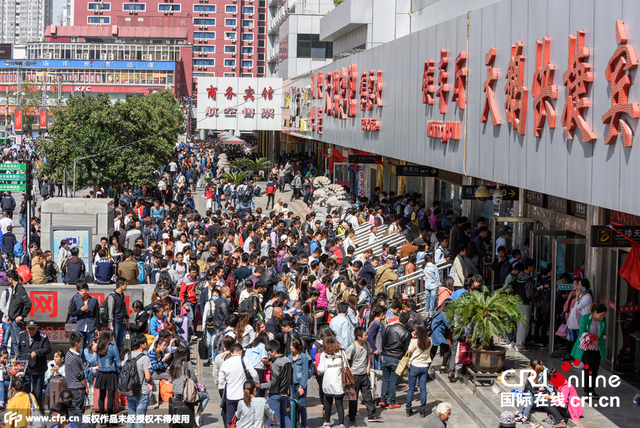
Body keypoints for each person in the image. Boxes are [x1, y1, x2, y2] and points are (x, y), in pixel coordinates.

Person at [346, 327, 382, 423]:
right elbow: (347, 360)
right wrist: (350, 372)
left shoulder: (366, 344)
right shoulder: (352, 347)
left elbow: (369, 354)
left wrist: (368, 366)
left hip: (364, 374)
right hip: (355, 376)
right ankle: (352, 416)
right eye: (365, 335)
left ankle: (372, 415)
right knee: (353, 397)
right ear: (359, 337)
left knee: (368, 396)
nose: (367, 336)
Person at [571, 303, 607, 398]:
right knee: (588, 368)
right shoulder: (585, 318)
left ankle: (592, 389)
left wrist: (603, 339)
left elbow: (604, 332)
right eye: (601, 315)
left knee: (595, 369)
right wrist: (591, 339)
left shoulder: (603, 320)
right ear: (595, 312)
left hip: (597, 347)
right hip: (586, 348)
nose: (602, 317)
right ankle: (586, 390)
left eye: (603, 315)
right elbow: (582, 333)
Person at [169, 345, 210, 428]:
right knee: (206, 397)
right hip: (186, 393)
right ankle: (197, 415)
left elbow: (171, 379)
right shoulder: (187, 364)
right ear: (185, 355)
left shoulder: (173, 365)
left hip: (176, 394)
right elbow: (194, 379)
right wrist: (198, 387)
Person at [17, 319, 52, 410]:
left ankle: (38, 410)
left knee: (37, 390)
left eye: (33, 329)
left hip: (38, 367)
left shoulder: (42, 337)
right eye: (30, 329)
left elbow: (48, 349)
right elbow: (20, 350)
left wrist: (37, 352)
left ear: (36, 328)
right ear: (26, 328)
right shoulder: (22, 335)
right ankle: (27, 409)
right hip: (26, 368)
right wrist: (20, 362)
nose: (31, 331)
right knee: (25, 389)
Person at [380, 311, 411, 409]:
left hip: (386, 356)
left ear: (398, 318)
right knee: (393, 382)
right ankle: (392, 402)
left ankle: (383, 400)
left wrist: (384, 353)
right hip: (397, 358)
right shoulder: (406, 333)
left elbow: (383, 342)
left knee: (385, 380)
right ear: (406, 322)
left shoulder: (389, 328)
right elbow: (406, 350)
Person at [259, 340, 292, 428]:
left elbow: (273, 382)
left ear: (274, 351)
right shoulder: (287, 360)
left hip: (275, 394)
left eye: (268, 352)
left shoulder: (276, 363)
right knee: (285, 416)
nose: (268, 354)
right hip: (284, 393)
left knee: (275, 418)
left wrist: (260, 385)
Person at [317, 335, 347, 428]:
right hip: (339, 383)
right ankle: (341, 424)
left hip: (327, 383)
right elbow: (345, 366)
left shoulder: (324, 354)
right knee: (339, 404)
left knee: (328, 403)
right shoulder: (342, 353)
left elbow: (320, 370)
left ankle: (328, 422)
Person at [123, 335, 153, 428]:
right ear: (141, 345)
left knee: (131, 417)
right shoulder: (145, 358)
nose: (147, 344)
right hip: (141, 392)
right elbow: (147, 377)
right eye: (145, 342)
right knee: (140, 420)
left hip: (129, 390)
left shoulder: (127, 355)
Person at [405, 323, 432, 418]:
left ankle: (408, 409)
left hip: (414, 366)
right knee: (423, 389)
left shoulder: (415, 342)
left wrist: (412, 339)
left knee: (411, 389)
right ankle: (422, 410)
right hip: (424, 367)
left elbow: (409, 350)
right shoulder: (429, 341)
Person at [95, 329, 122, 424]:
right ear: (109, 337)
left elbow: (97, 361)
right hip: (111, 374)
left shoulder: (99, 346)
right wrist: (120, 368)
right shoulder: (113, 348)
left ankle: (102, 418)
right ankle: (110, 418)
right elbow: (118, 362)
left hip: (101, 373)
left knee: (101, 396)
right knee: (110, 397)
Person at [68, 283, 99, 357]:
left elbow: (97, 315)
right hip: (80, 327)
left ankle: (90, 364)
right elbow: (72, 313)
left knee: (91, 347)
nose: (80, 293)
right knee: (80, 348)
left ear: (87, 291)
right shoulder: (77, 301)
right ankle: (80, 363)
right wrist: (80, 310)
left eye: (82, 291)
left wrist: (97, 327)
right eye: (79, 291)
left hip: (90, 327)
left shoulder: (94, 301)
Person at [6, 269, 31, 358]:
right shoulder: (13, 289)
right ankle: (17, 359)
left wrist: (22, 316)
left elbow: (28, 303)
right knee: (15, 342)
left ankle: (21, 359)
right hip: (12, 319)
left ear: (10, 278)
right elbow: (14, 304)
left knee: (19, 342)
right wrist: (9, 315)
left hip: (17, 321)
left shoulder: (20, 289)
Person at [65, 332, 89, 415]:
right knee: (76, 412)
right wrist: (86, 386)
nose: (81, 343)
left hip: (73, 387)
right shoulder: (73, 358)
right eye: (80, 341)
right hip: (77, 388)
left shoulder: (69, 354)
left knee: (75, 411)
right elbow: (79, 375)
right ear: (76, 343)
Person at [288, 337, 310, 428]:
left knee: (302, 406)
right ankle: (295, 423)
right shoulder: (289, 357)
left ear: (299, 346)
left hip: (300, 384)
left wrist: (302, 386)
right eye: (291, 346)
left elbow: (305, 372)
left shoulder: (303, 357)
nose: (292, 347)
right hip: (292, 385)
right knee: (294, 406)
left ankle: (303, 425)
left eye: (294, 346)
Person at [107, 278, 129, 353]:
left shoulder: (122, 295)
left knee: (121, 344)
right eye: (125, 284)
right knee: (114, 344)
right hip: (115, 323)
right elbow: (110, 311)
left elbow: (124, 308)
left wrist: (127, 320)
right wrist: (111, 325)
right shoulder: (112, 296)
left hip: (122, 322)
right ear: (121, 285)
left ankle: (120, 359)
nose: (126, 286)